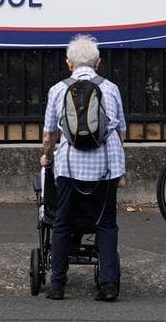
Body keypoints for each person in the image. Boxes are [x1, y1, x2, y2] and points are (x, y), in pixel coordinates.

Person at [39, 34, 127, 302]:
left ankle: (57, 284)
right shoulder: (111, 88)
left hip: (68, 166)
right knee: (106, 223)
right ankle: (109, 284)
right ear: (98, 63)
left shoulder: (57, 89)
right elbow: (121, 132)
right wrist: (119, 168)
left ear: (69, 64)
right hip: (104, 168)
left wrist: (47, 158)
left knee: (63, 222)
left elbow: (48, 135)